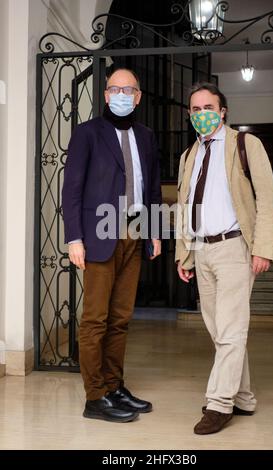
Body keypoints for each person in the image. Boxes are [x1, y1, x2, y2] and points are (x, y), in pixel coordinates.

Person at [175, 82, 273, 435]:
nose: (201, 114)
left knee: (232, 329)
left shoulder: (245, 145)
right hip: (201, 249)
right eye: (195, 109)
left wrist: (262, 247)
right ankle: (245, 397)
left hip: (234, 246)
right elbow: (183, 207)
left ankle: (219, 404)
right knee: (222, 332)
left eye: (208, 108)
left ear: (223, 112)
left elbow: (267, 198)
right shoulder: (189, 155)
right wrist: (184, 253)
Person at [62, 68, 162, 423]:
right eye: (114, 88)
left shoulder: (146, 136)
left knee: (120, 319)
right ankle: (95, 397)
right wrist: (74, 238)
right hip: (98, 237)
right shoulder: (87, 133)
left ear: (137, 96)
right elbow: (71, 188)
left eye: (128, 89)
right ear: (106, 95)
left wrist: (153, 232)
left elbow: (150, 187)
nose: (121, 94)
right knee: (95, 321)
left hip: (133, 238)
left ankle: (114, 386)